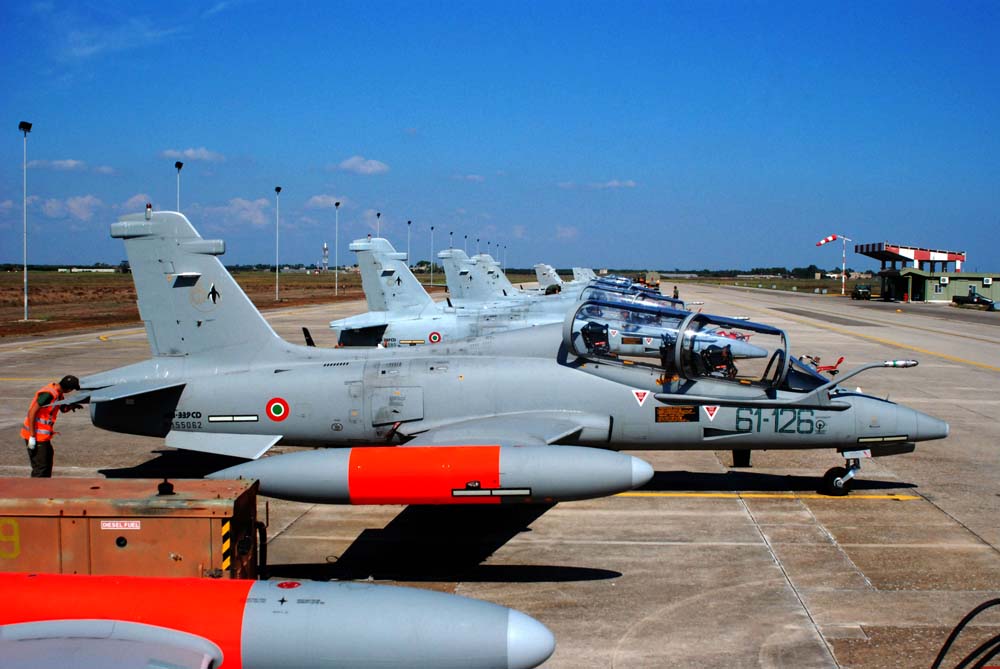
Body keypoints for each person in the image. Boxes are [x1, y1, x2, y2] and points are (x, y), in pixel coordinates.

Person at [20, 375, 81, 478]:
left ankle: (43, 489)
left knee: (47, 463)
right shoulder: (49, 394)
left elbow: (62, 409)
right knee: (41, 468)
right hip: (36, 435)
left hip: (43, 437)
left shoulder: (58, 393)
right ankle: (36, 491)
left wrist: (71, 406)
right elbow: (32, 412)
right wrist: (32, 436)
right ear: (69, 389)